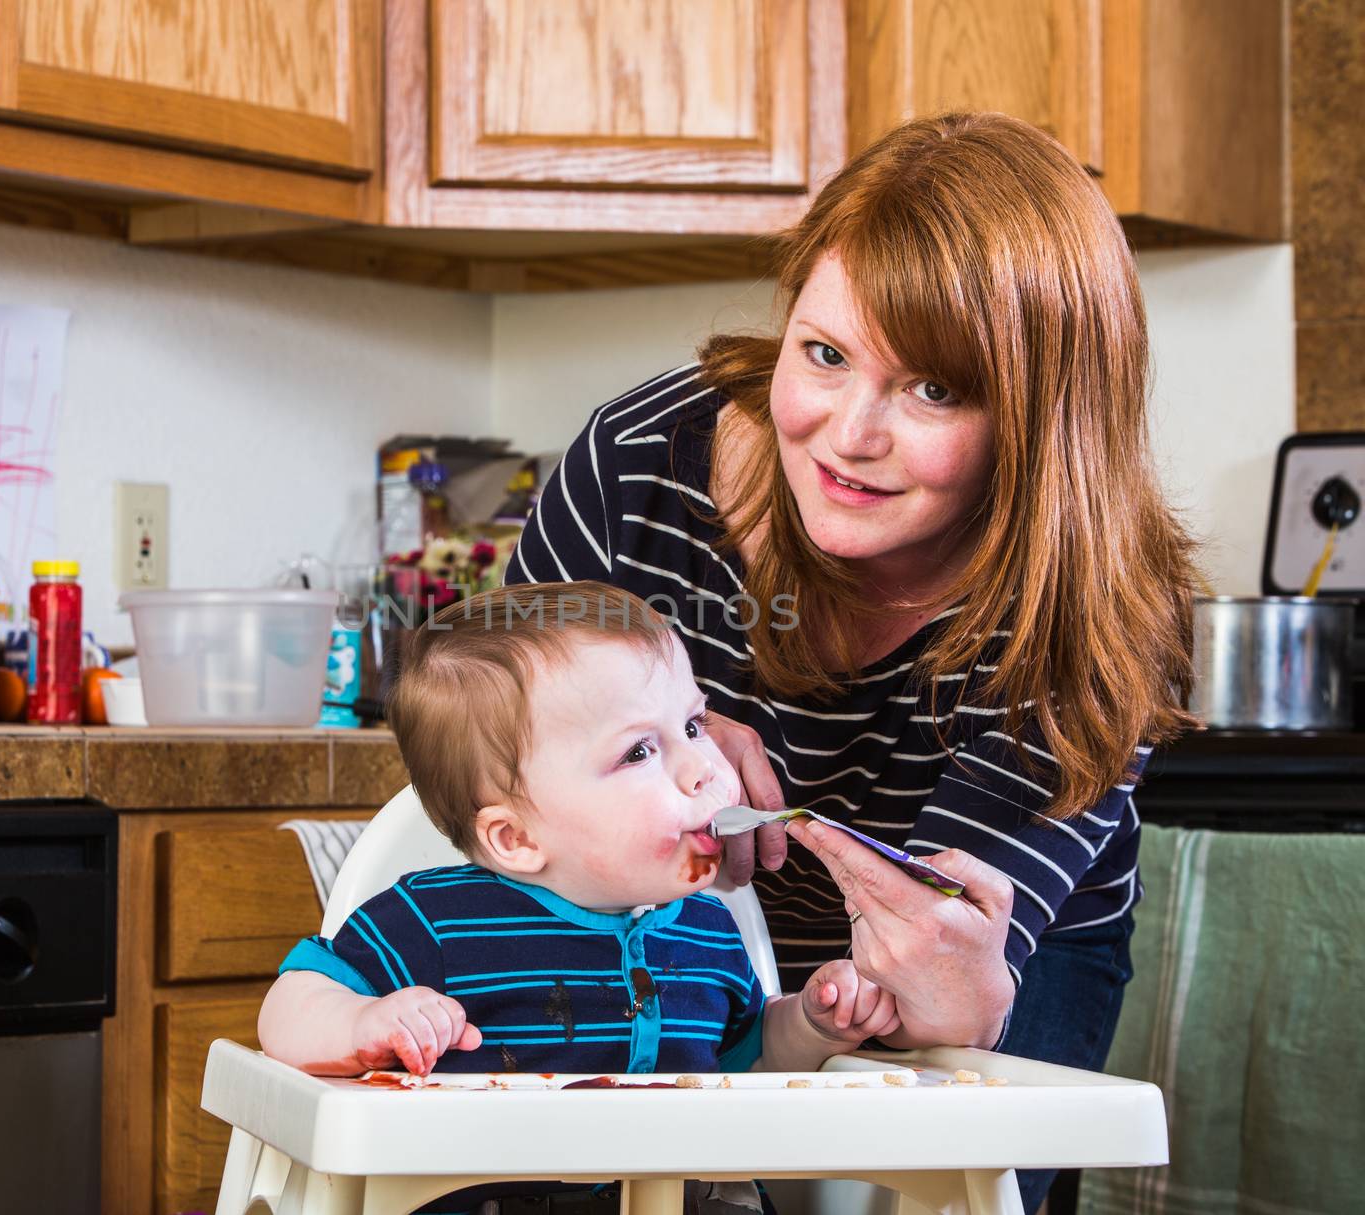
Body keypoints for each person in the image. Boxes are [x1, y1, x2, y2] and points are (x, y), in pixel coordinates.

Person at [504, 112, 1198, 1214]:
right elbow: (481, 727)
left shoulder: (1095, 611)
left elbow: (939, 974)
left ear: (1038, 418)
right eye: (824, 355)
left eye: (933, 390)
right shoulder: (640, 470)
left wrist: (962, 991)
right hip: (666, 925)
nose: (848, 434)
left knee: (937, 1178)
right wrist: (621, 720)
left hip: (1008, 956)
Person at [259, 581, 899, 1083]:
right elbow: (286, 1013)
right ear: (515, 839)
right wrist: (363, 1023)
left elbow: (743, 1064)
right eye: (640, 753)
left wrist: (814, 1027)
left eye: (694, 726)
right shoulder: (434, 924)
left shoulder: (707, 927)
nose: (704, 769)